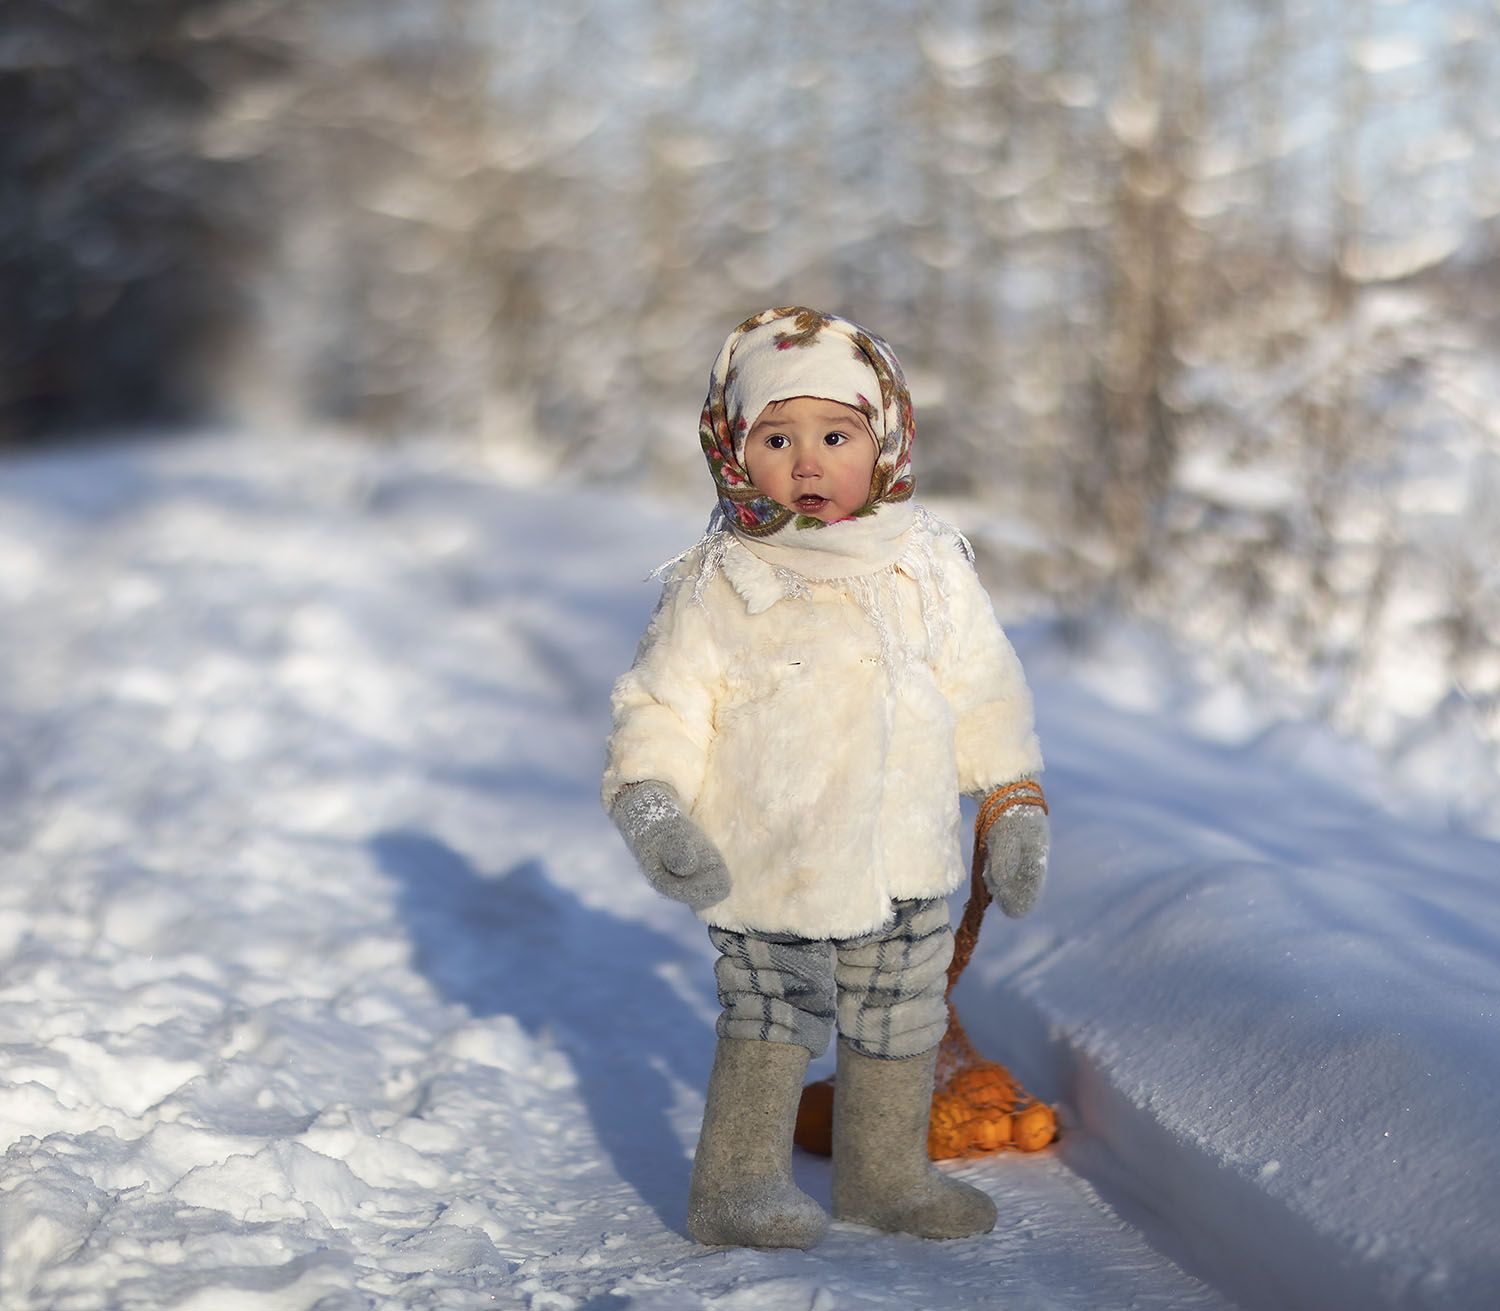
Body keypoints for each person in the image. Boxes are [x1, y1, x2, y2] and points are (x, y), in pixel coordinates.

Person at [602, 306, 1048, 1250]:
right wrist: (651, 799)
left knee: (901, 1012)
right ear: (734, 451)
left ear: (882, 438)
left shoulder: (928, 565)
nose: (808, 461)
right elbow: (664, 704)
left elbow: (985, 687)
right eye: (777, 437)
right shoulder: (723, 579)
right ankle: (735, 1187)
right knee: (771, 1014)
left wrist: (1011, 797)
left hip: (908, 859)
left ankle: (883, 1179)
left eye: (836, 435)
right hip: (772, 864)